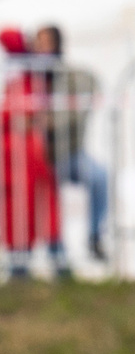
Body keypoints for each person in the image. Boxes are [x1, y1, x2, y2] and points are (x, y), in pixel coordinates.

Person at [26, 27, 106, 266]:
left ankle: (94, 236)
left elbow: (86, 96)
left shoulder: (70, 76)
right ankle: (44, 250)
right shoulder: (26, 76)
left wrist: (51, 121)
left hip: (66, 153)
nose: (43, 50)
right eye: (38, 44)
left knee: (99, 177)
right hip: (35, 158)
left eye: (47, 43)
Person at [0, 30, 62, 281]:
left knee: (31, 203)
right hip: (12, 150)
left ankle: (41, 256)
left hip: (25, 151)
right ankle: (20, 259)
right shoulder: (20, 76)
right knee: (16, 205)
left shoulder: (31, 76)